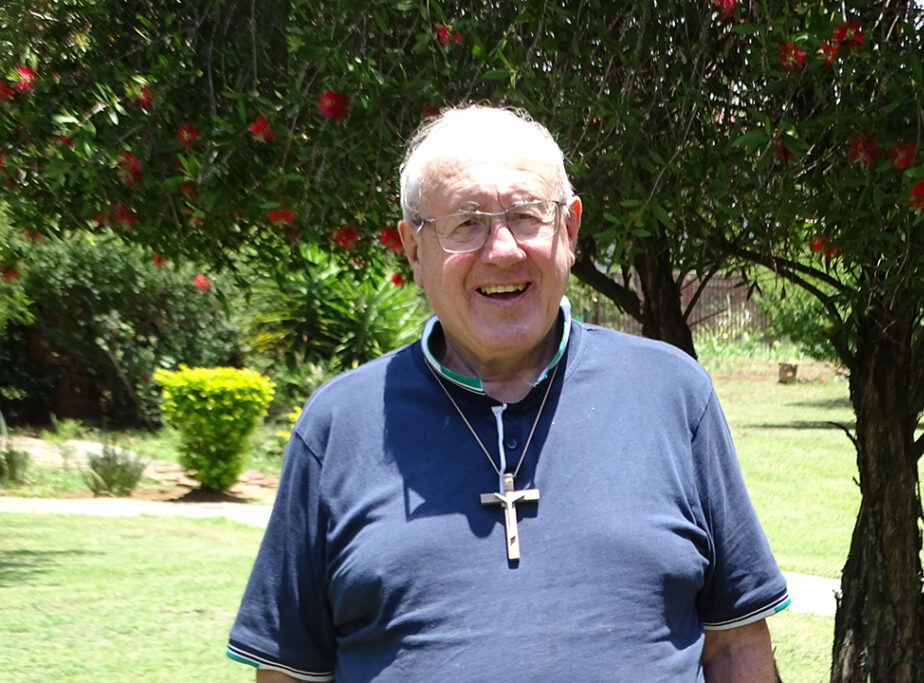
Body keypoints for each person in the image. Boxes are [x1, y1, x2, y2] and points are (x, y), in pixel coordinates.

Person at [227, 105, 789, 682]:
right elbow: (289, 672)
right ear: (414, 250)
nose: (502, 250)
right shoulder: (338, 426)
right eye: (465, 223)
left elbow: (734, 647)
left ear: (568, 230)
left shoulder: (673, 395)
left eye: (525, 216)